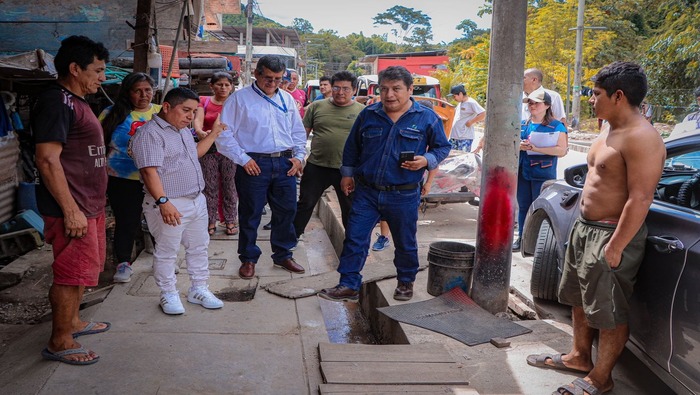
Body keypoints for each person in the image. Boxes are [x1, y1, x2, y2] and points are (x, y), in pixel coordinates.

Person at [526, 62, 666, 395]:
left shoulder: (642, 137)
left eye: (596, 93)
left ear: (618, 96)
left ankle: (601, 378)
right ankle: (578, 357)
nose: (591, 99)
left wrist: (616, 246)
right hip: (584, 228)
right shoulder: (607, 127)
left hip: (611, 234)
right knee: (579, 298)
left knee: (609, 309)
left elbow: (640, 198)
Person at [318, 66, 451, 303]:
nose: (389, 95)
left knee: (405, 241)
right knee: (355, 238)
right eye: (384, 89)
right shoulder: (369, 114)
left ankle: (405, 281)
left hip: (403, 194)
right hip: (367, 192)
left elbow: (442, 147)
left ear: (410, 90)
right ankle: (348, 284)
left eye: (396, 89)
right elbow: (352, 148)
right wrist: (347, 175)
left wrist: (426, 160)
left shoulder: (426, 117)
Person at [32, 35, 110, 365]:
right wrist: (70, 210)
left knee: (83, 271)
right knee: (70, 272)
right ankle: (60, 340)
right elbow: (48, 159)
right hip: (72, 208)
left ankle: (74, 322)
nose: (103, 78)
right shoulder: (56, 101)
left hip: (88, 203)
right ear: (75, 69)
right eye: (98, 70)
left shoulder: (78, 102)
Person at [130, 87, 225, 315]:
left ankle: (199, 288)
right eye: (185, 110)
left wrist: (212, 134)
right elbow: (149, 172)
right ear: (167, 107)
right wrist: (164, 202)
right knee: (167, 251)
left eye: (193, 111)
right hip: (170, 202)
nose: (190, 117)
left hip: (195, 199)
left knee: (199, 247)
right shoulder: (149, 134)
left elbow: (193, 154)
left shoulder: (181, 130)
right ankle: (168, 293)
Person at [217, 55, 307, 279]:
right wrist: (243, 159)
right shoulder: (239, 100)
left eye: (278, 79)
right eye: (268, 78)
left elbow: (297, 132)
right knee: (250, 213)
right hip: (254, 163)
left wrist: (299, 157)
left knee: (287, 211)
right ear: (256, 74)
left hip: (285, 163)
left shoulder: (287, 99)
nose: (273, 83)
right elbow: (224, 134)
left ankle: (283, 254)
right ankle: (248, 258)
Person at [99, 72, 161, 283]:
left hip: (155, 178)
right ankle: (123, 263)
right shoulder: (112, 113)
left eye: (148, 90)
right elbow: (99, 145)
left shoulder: (162, 113)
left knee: (159, 220)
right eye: (138, 91)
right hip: (121, 179)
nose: (144, 95)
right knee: (126, 221)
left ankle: (163, 261)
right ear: (128, 93)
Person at [293, 71, 365, 241]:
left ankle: (351, 244)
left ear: (354, 90)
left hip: (348, 171)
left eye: (346, 89)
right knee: (305, 203)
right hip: (317, 166)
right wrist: (298, 157)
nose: (340, 92)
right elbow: (303, 134)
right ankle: (292, 238)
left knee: (350, 209)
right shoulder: (317, 107)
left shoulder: (363, 112)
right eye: (336, 88)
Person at [512, 88, 568, 252]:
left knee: (540, 208)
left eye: (536, 103)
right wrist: (520, 147)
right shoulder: (523, 124)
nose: (532, 106)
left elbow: (561, 150)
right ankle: (522, 238)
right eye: (530, 102)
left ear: (547, 105)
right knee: (523, 206)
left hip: (543, 174)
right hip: (524, 172)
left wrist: (537, 148)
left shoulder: (556, 126)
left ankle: (538, 242)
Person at [193, 72, 238, 236]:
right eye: (220, 84)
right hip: (209, 149)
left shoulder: (235, 103)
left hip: (229, 150)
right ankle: (210, 220)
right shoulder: (203, 101)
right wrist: (199, 131)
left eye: (227, 85)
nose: (224, 88)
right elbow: (198, 120)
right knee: (209, 186)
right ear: (212, 86)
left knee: (230, 185)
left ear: (231, 86)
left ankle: (230, 220)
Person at [447, 84, 486, 152]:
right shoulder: (460, 103)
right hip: (455, 137)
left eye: (454, 96)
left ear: (460, 94)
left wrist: (471, 122)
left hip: (464, 137)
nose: (454, 98)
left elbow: (483, 113)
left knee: (462, 159)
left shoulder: (471, 103)